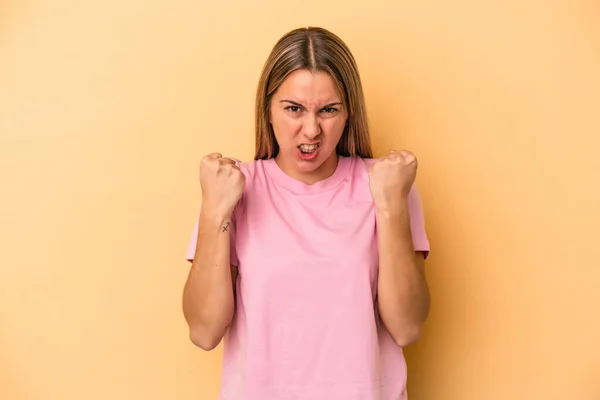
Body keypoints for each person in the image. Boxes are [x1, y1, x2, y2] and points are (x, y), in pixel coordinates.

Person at [182, 26, 431, 400]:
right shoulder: (234, 188)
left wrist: (391, 207)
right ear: (268, 109)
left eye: (328, 110)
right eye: (294, 108)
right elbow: (204, 332)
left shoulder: (389, 184)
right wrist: (215, 209)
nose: (311, 130)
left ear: (348, 114)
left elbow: (407, 327)